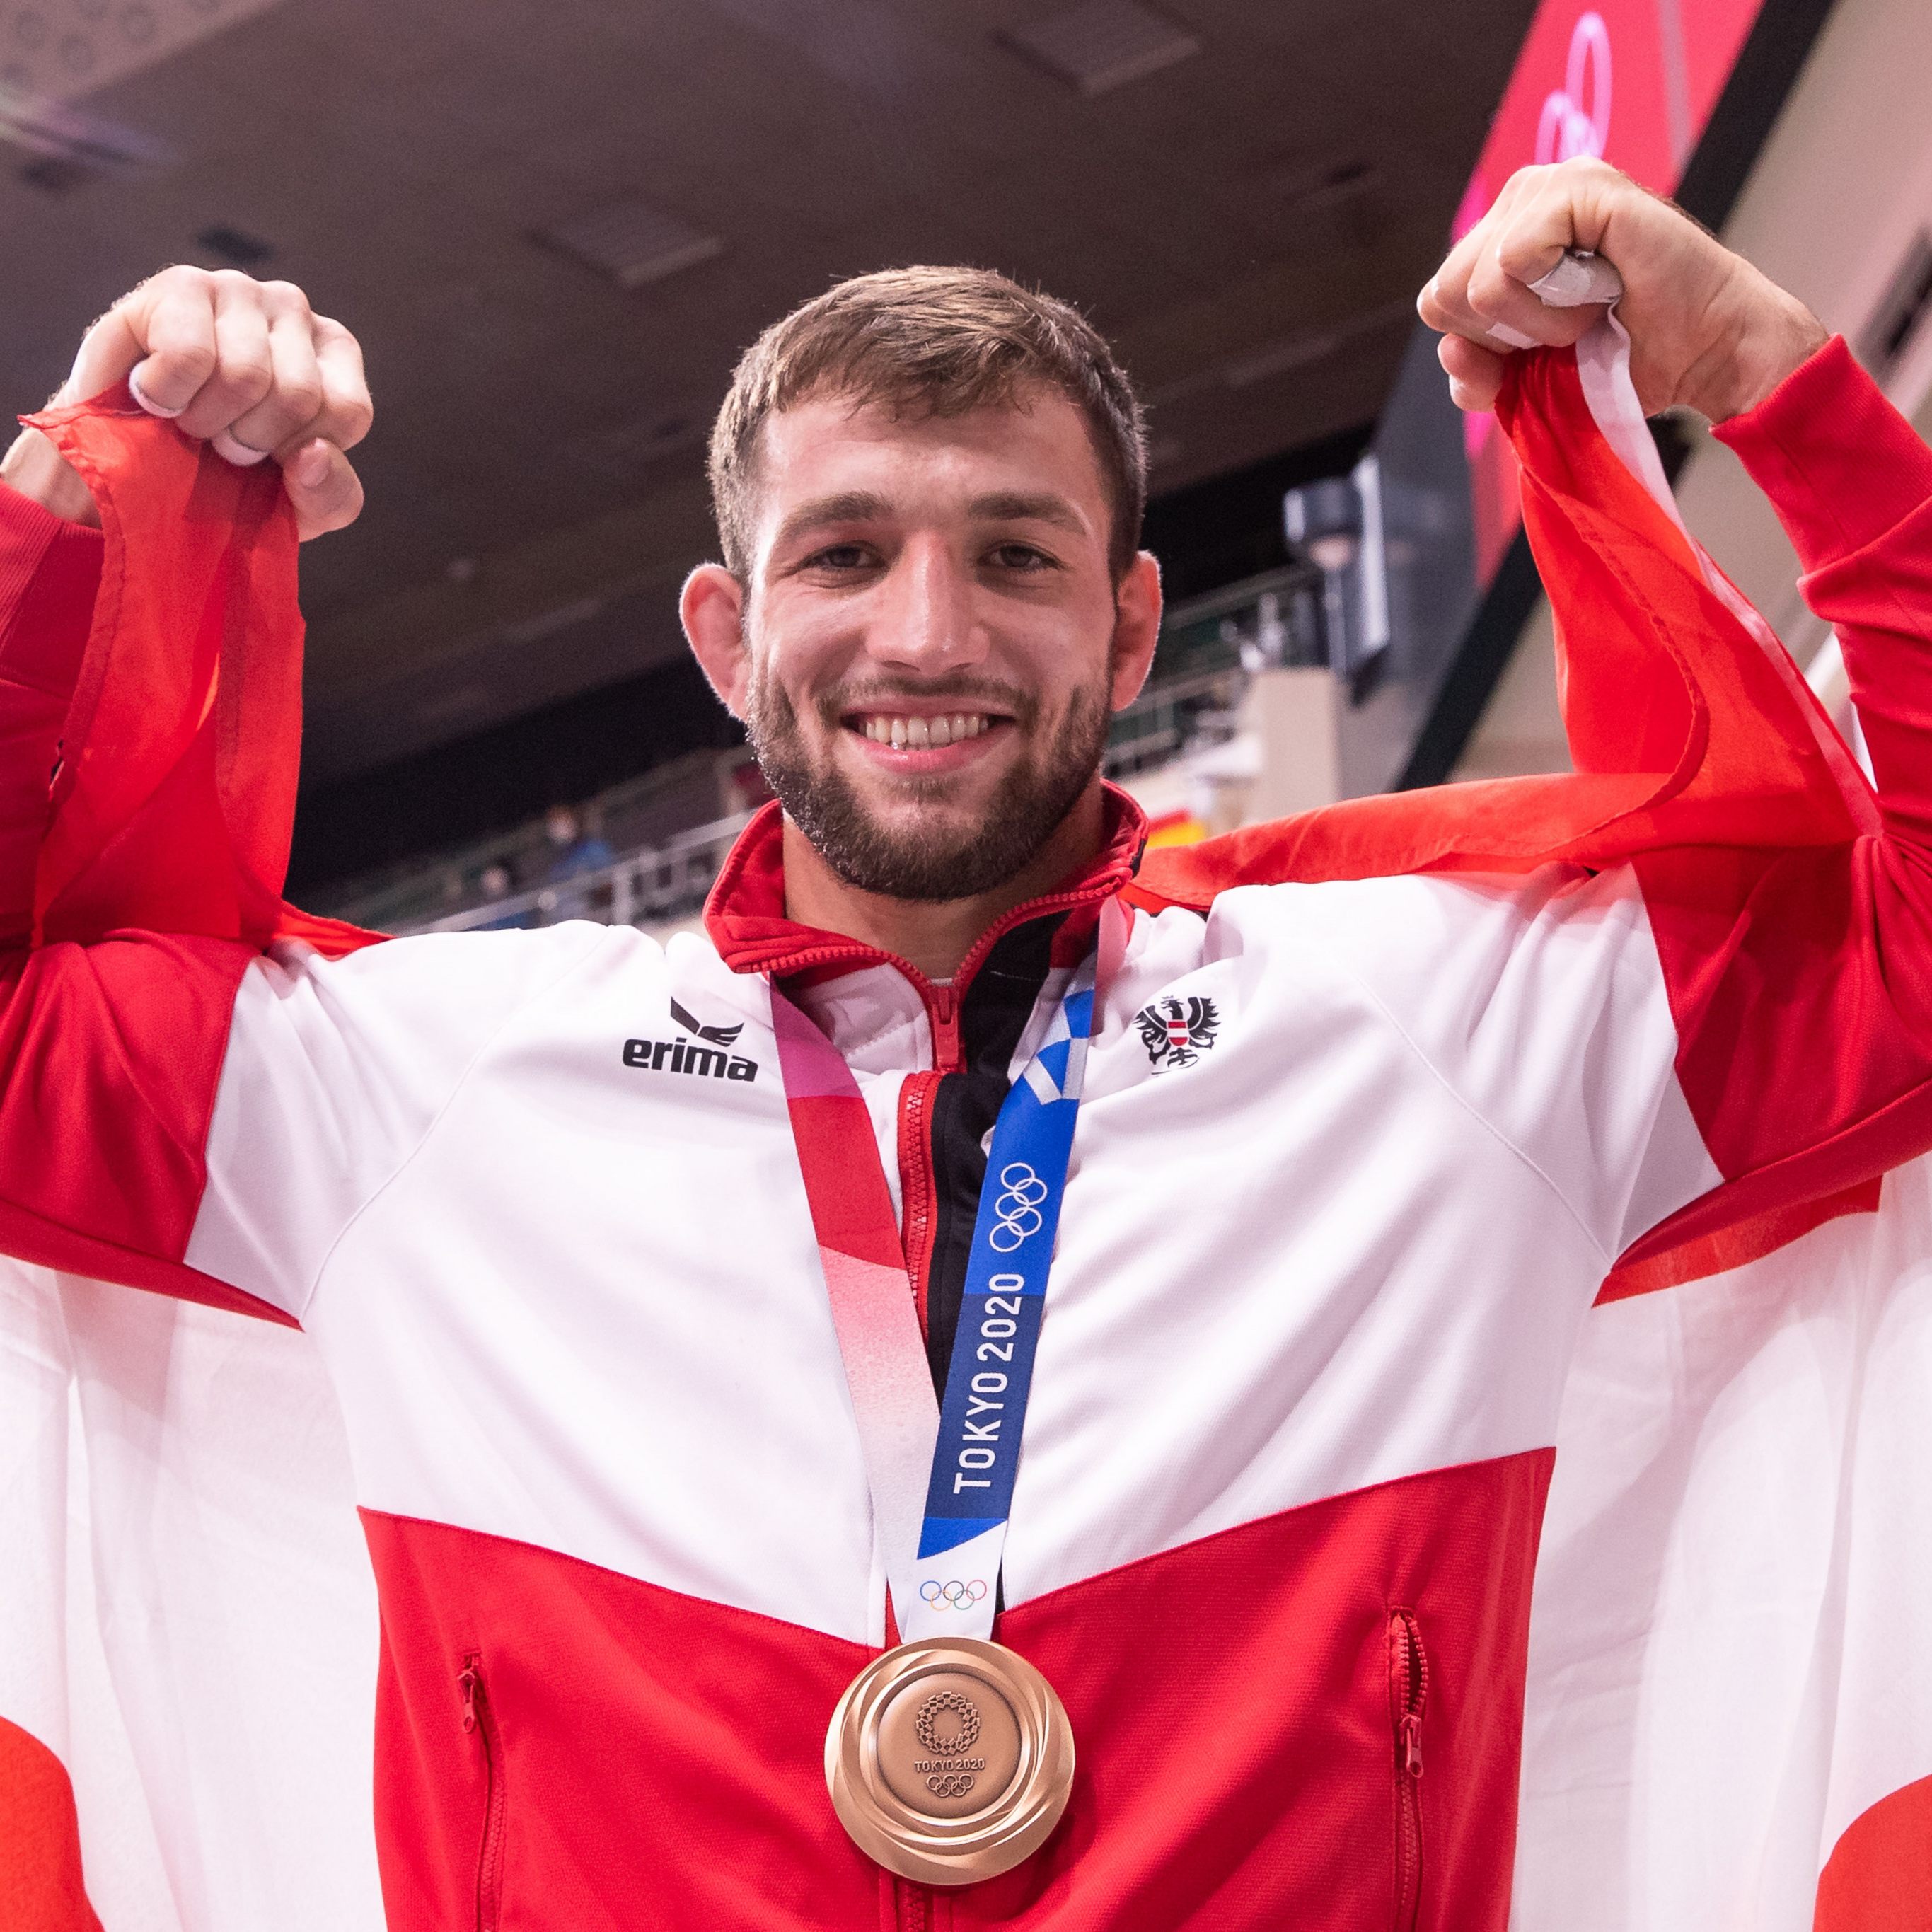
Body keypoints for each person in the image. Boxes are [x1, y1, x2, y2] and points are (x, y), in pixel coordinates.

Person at [0, 156, 1928, 1926]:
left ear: (1129, 624)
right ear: (725, 636)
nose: (928, 633)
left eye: (1014, 554)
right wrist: (78, 503)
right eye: (842, 554)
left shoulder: (1448, 1028)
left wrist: (1774, 381)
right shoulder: (416, 1092)